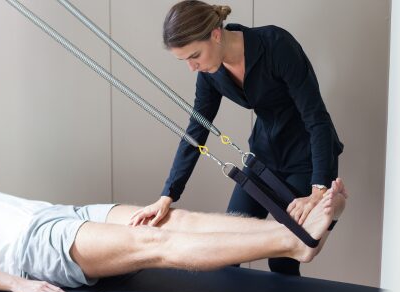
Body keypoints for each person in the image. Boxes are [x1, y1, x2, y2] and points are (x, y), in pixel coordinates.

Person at [0, 179, 347, 292]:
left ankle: (292, 232)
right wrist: (14, 285)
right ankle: (293, 240)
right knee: (151, 247)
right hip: (38, 244)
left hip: (63, 214)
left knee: (168, 221)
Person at [130, 0, 344, 276]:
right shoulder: (211, 73)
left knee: (283, 258)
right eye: (185, 61)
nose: (192, 67)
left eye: (194, 55)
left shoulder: (276, 45)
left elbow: (317, 118)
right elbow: (197, 130)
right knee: (228, 246)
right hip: (264, 156)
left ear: (216, 35)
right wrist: (167, 195)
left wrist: (318, 191)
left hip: (306, 160)